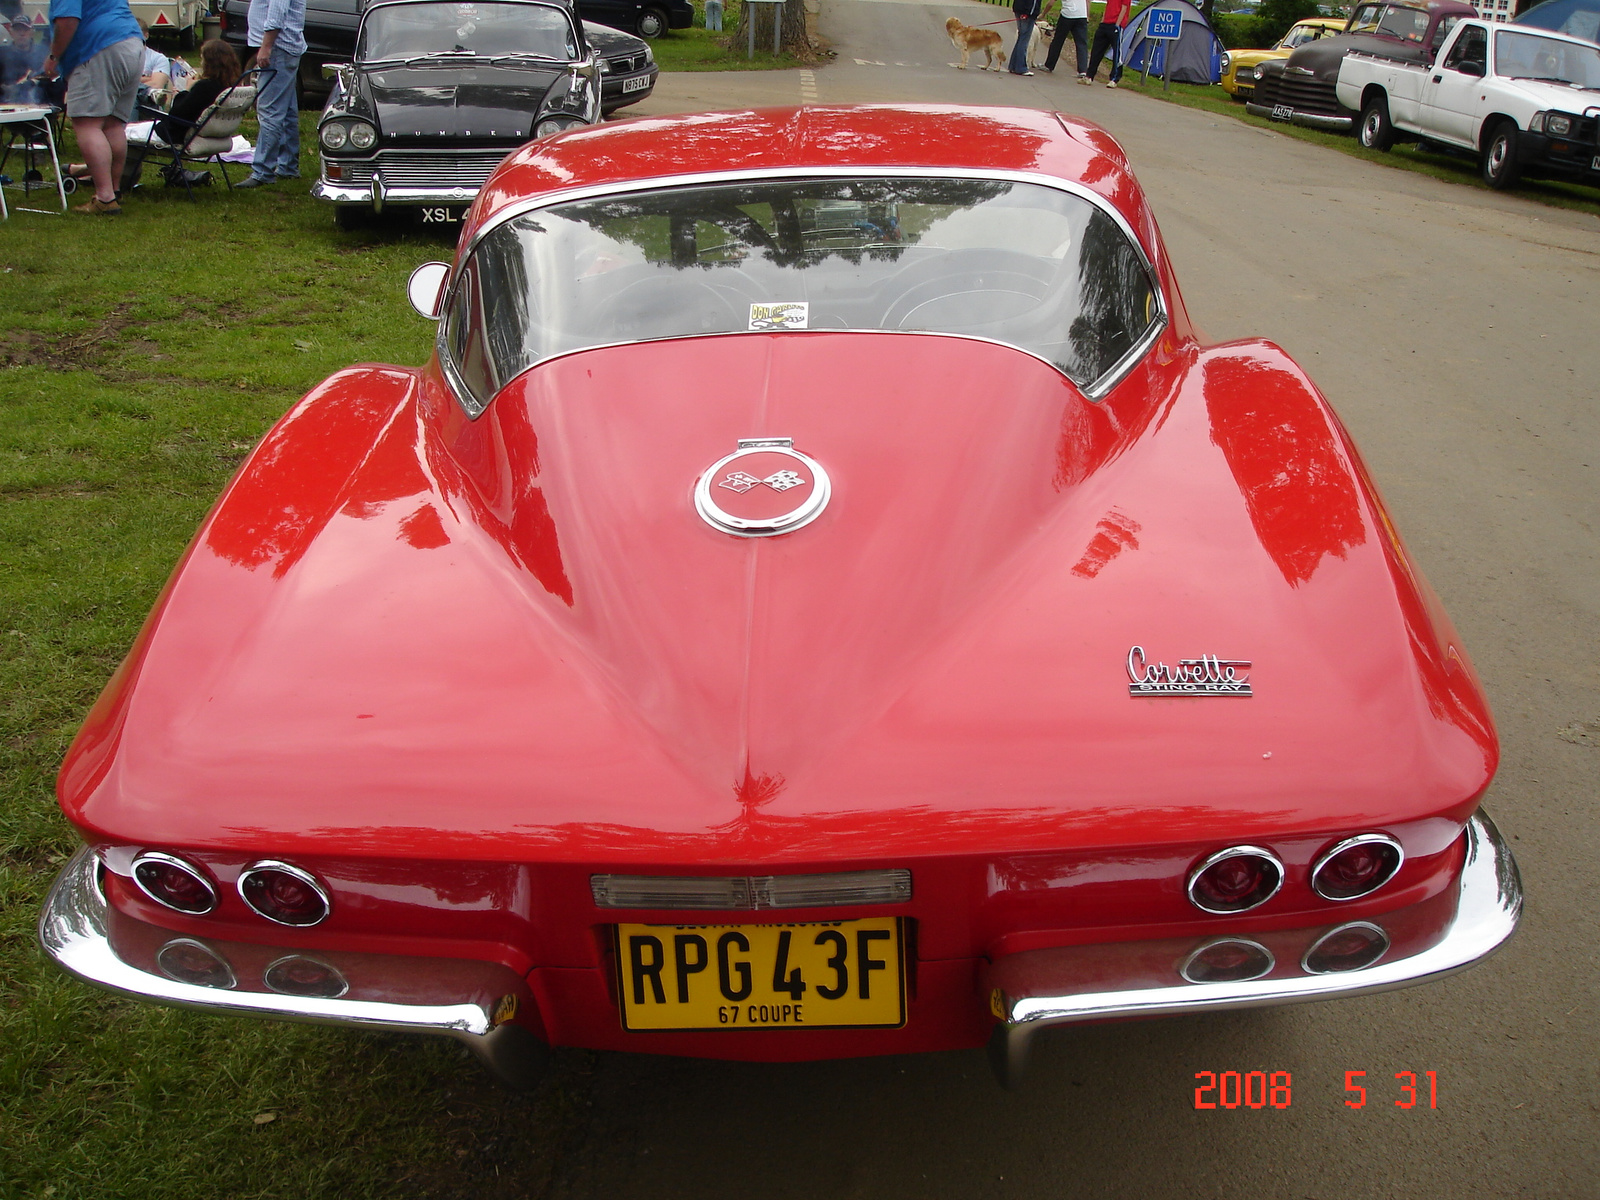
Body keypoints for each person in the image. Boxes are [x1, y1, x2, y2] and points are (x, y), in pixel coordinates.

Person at [41, 0, 143, 214]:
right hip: (132, 42)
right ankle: (114, 192)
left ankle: (105, 198)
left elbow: (68, 21)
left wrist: (53, 57)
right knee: (113, 125)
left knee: (87, 124)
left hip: (97, 48)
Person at [237, 0, 305, 187]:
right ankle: (288, 165)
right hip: (284, 48)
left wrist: (266, 47)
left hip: (278, 49)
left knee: (270, 111)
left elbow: (277, 13)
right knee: (287, 110)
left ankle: (263, 171)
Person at [1, 15, 46, 103]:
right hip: (7, 104)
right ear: (11, 32)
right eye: (18, 30)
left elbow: (49, 78)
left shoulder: (43, 53)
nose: (22, 34)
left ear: (32, 32)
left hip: (39, 104)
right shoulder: (2, 54)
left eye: (25, 29)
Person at [1085, 0, 1130, 87]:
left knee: (1117, 53)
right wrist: (1103, 21)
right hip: (1105, 23)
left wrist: (1117, 24)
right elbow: (1108, 6)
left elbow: (1124, 8)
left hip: (1116, 24)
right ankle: (1089, 76)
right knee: (1096, 51)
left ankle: (1114, 78)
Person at [1043, 0, 1090, 81]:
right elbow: (1088, 1)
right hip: (1082, 15)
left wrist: (1043, 14)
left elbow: (1051, 3)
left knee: (1058, 41)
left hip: (1067, 15)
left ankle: (1049, 65)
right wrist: (1087, 16)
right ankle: (1082, 70)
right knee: (1081, 44)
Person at [1008, 0, 1042, 75]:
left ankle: (1013, 65)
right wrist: (1029, 12)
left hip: (1019, 8)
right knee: (1024, 39)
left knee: (1021, 37)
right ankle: (1021, 67)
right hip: (1028, 12)